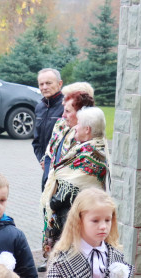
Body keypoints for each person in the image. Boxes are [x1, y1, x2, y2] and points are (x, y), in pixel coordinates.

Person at [40, 106, 109, 259]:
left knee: (71, 264)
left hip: (76, 224)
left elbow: (70, 191)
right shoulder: (83, 148)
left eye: (79, 124)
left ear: (87, 129)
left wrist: (52, 203)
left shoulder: (93, 153)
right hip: (71, 221)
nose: (75, 128)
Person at [39, 85, 94, 262]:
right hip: (55, 196)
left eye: (67, 109)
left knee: (70, 256)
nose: (63, 113)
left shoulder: (86, 136)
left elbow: (78, 174)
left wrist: (56, 199)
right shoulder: (63, 126)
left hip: (71, 207)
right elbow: (51, 152)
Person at [32, 68, 64, 189]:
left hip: (63, 169)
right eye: (41, 84)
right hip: (47, 168)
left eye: (49, 83)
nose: (44, 87)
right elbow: (36, 141)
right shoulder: (40, 107)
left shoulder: (67, 107)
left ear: (59, 84)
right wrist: (42, 160)